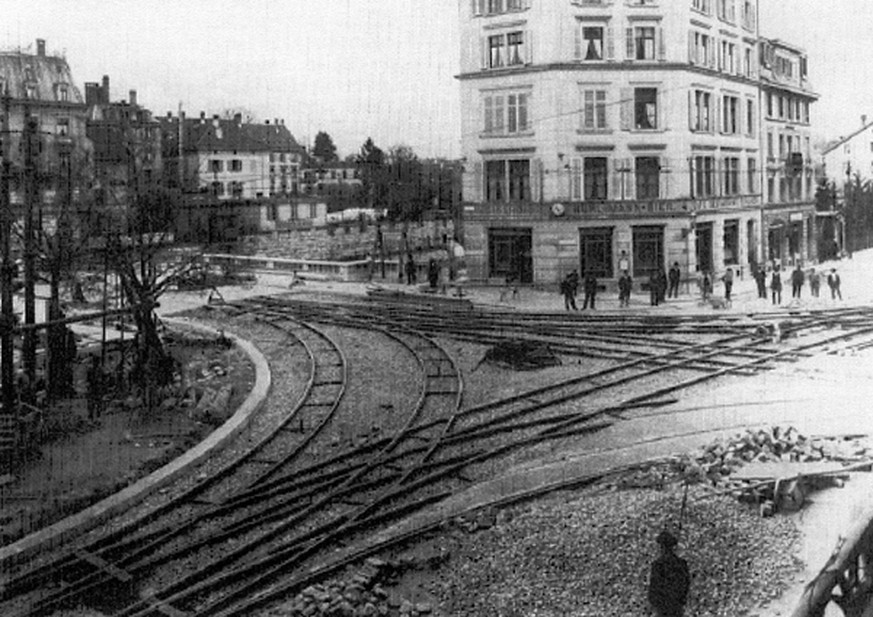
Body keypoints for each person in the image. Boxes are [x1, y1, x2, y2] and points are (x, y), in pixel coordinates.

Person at [648, 530, 691, 617]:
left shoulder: (658, 565)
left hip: (663, 606)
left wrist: (655, 602)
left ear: (662, 547)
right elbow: (685, 584)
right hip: (676, 605)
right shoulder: (681, 563)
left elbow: (654, 586)